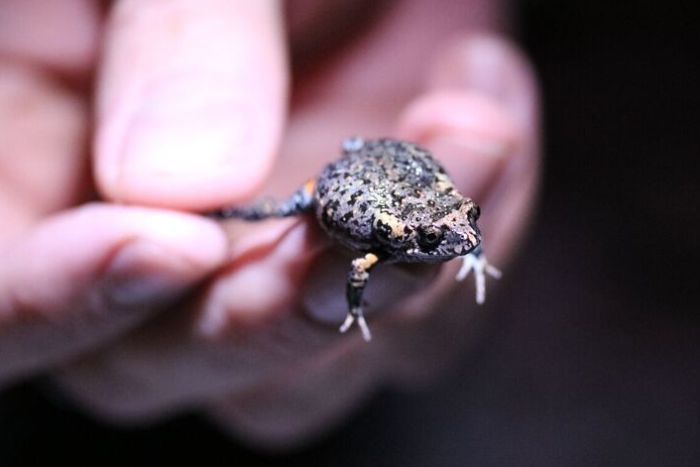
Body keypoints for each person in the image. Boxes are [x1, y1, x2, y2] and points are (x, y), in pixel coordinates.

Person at [0, 0, 539, 448]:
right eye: (438, 239)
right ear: (405, 238)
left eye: (466, 222)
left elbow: (451, 225)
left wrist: (471, 254)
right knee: (275, 214)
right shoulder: (377, 250)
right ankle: (222, 213)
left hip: (389, 165)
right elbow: (356, 276)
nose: (462, 235)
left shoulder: (442, 219)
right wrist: (354, 311)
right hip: (340, 179)